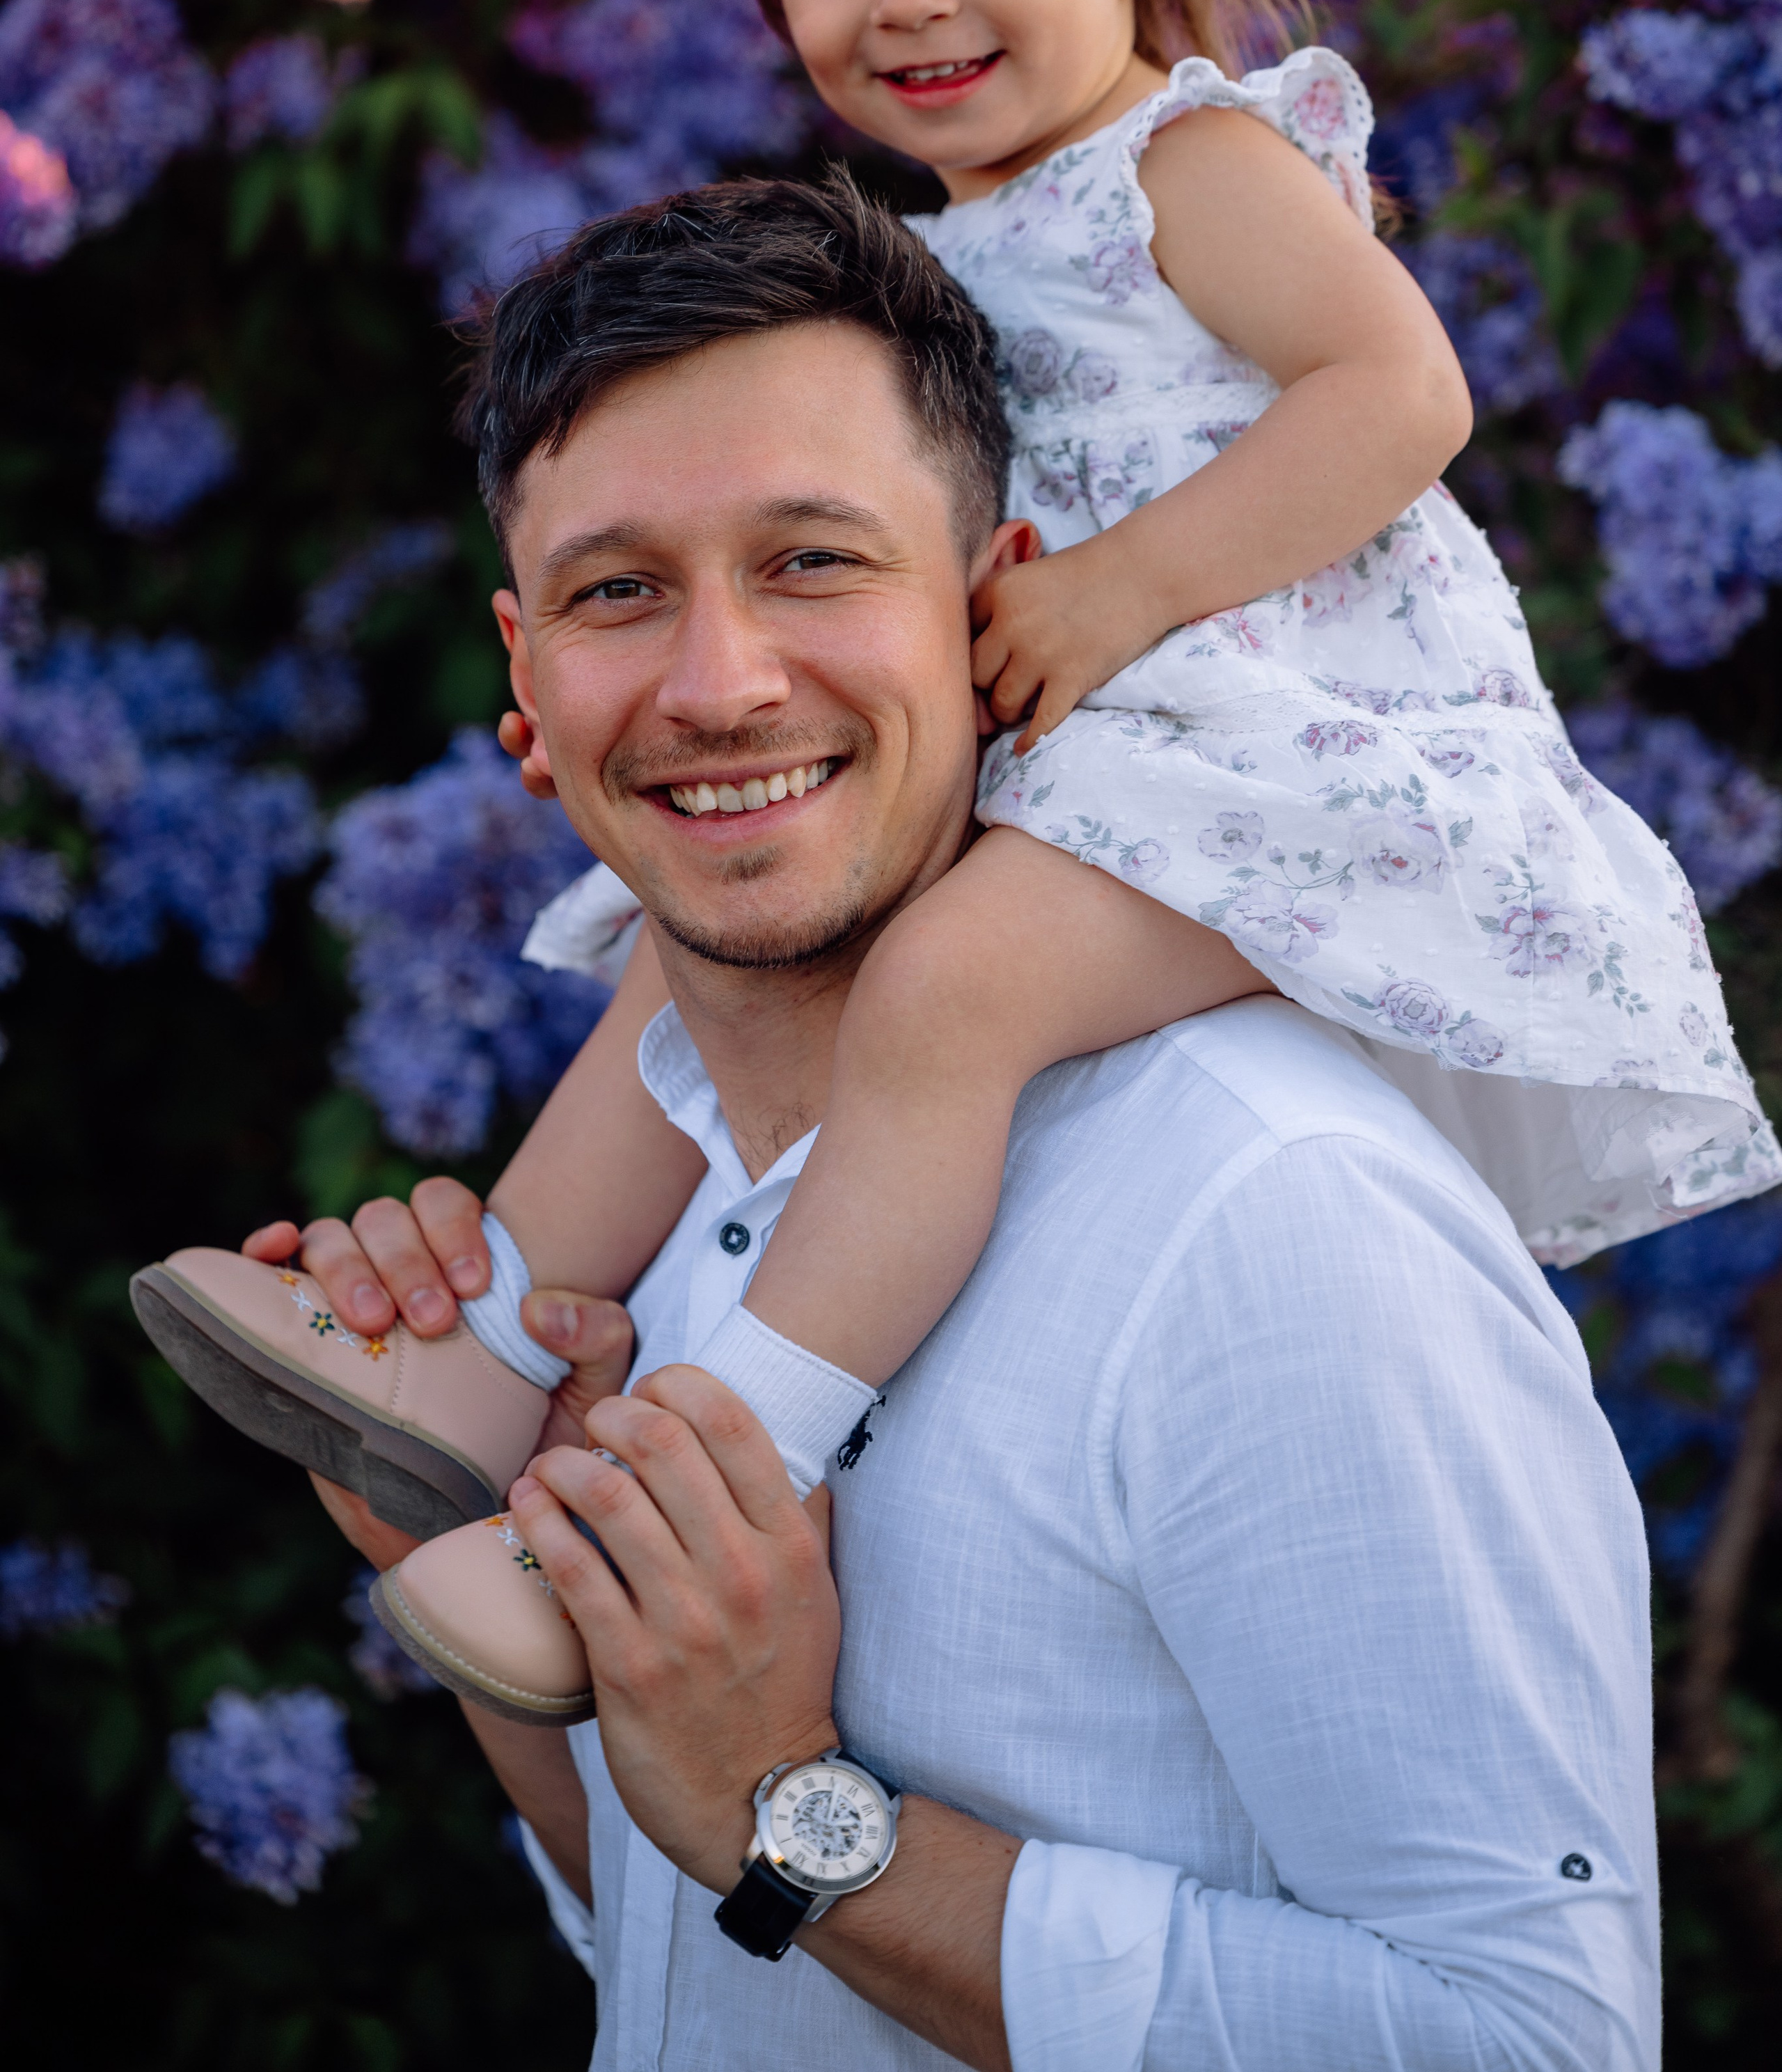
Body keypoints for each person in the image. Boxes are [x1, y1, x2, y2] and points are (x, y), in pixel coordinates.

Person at [132, 0, 1775, 1709]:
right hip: (1103, 761)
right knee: (674, 956)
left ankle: (720, 1477)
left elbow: (1397, 394)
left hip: (1297, 762)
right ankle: (483, 1352)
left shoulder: (1187, 158)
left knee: (941, 995)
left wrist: (1114, 594)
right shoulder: (915, 257)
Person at [232, 175, 1657, 2069]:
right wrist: (478, 1546)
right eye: (618, 591)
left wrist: (800, 1822)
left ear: (991, 603)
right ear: (525, 676)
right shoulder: (645, 1240)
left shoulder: (1274, 1223)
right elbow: (685, 1953)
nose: (721, 685)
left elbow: (1537, 2046)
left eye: (814, 562)